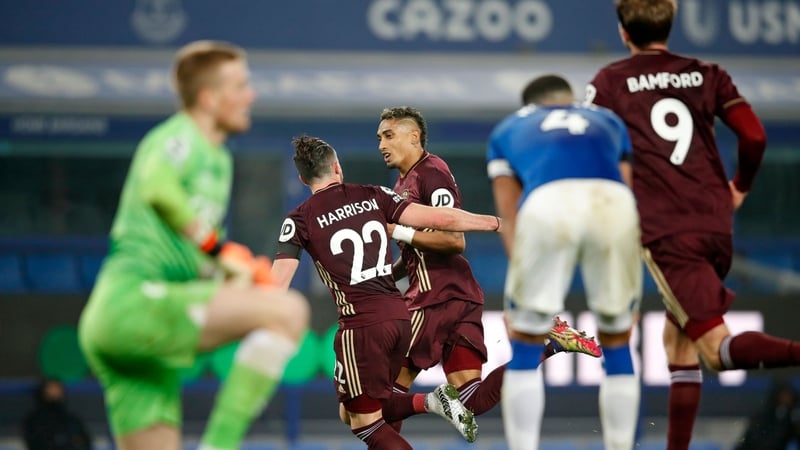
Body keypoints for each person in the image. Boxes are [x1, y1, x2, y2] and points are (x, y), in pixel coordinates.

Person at [583, 1, 798, 449]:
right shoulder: (707, 73)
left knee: (716, 351)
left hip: (667, 230)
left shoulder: (609, 82)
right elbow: (755, 135)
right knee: (677, 342)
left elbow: (590, 144)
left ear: (624, 33)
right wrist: (739, 185)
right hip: (715, 221)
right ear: (671, 24)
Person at [77, 40, 310, 450]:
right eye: (240, 85)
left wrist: (223, 269)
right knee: (288, 311)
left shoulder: (218, 159)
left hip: (136, 338)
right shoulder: (178, 137)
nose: (250, 95)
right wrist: (219, 252)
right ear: (209, 97)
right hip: (133, 304)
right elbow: (157, 189)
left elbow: (185, 246)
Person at [375, 106, 599, 435]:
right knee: (471, 399)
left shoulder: (431, 173)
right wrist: (386, 276)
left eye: (389, 135)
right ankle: (546, 345)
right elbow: (416, 254)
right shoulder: (404, 183)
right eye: (379, 137)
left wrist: (398, 232)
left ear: (414, 137)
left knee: (386, 394)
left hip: (433, 298)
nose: (381, 143)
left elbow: (454, 240)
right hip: (459, 295)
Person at [270, 134, 503, 449]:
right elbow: (442, 218)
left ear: (301, 178)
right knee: (351, 412)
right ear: (337, 167)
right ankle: (429, 403)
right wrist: (497, 223)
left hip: (360, 325)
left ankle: (432, 402)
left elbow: (278, 286)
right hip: (400, 317)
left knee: (365, 425)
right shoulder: (374, 194)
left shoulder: (298, 219)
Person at [487, 74, 641, 450]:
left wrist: (522, 275)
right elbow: (626, 188)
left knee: (525, 340)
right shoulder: (608, 120)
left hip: (547, 202)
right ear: (570, 99)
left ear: (530, 104)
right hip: (614, 202)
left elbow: (510, 213)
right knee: (618, 338)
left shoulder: (509, 127)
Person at [22, 379, 93, 450]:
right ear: (43, 392)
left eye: (57, 389)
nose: (54, 392)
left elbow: (85, 442)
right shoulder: (34, 420)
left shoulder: (71, 419)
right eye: (50, 389)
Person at [735, 380, 800, 450]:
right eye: (784, 396)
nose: (786, 400)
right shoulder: (763, 416)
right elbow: (757, 441)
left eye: (789, 397)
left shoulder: (791, 418)